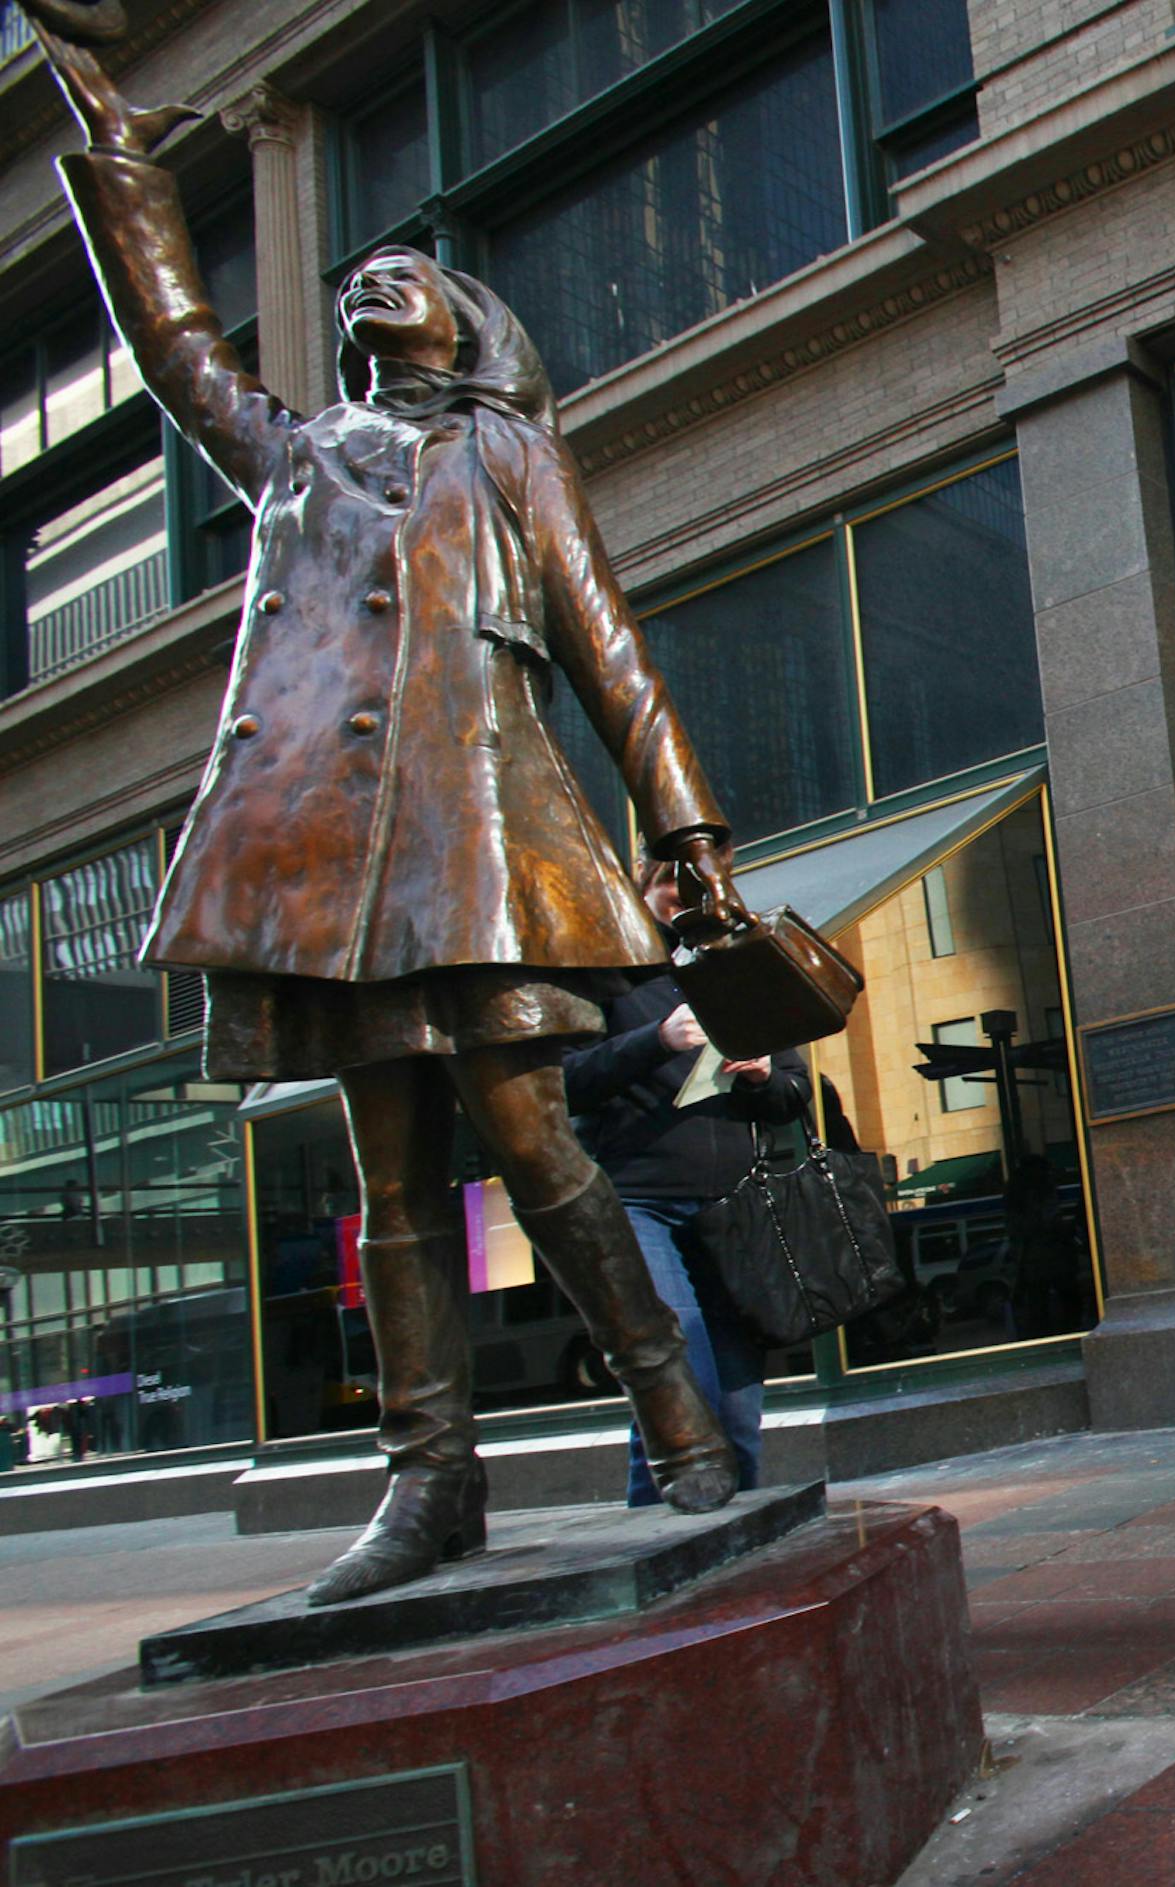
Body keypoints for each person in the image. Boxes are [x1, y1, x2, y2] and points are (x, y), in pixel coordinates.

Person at [31, 19, 749, 1606]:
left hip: (473, 845)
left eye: (404, 274)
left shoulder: (508, 453)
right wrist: (120, 159)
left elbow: (604, 640)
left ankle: (678, 1415)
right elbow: (176, 348)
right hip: (333, 864)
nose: (372, 281)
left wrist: (684, 827)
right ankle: (427, 1477)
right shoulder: (295, 455)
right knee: (391, 1173)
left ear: (469, 323)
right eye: (354, 279)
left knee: (529, 1134)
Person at [563, 857, 812, 1503]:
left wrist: (763, 1075)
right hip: (640, 1202)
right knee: (680, 1377)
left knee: (736, 1407)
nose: (686, 896)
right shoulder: (604, 976)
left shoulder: (740, 974)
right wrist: (655, 1039)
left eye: (702, 884)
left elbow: (793, 1094)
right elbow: (563, 1082)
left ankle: (746, 1543)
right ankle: (660, 1547)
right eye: (672, 882)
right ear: (640, 888)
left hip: (733, 1211)